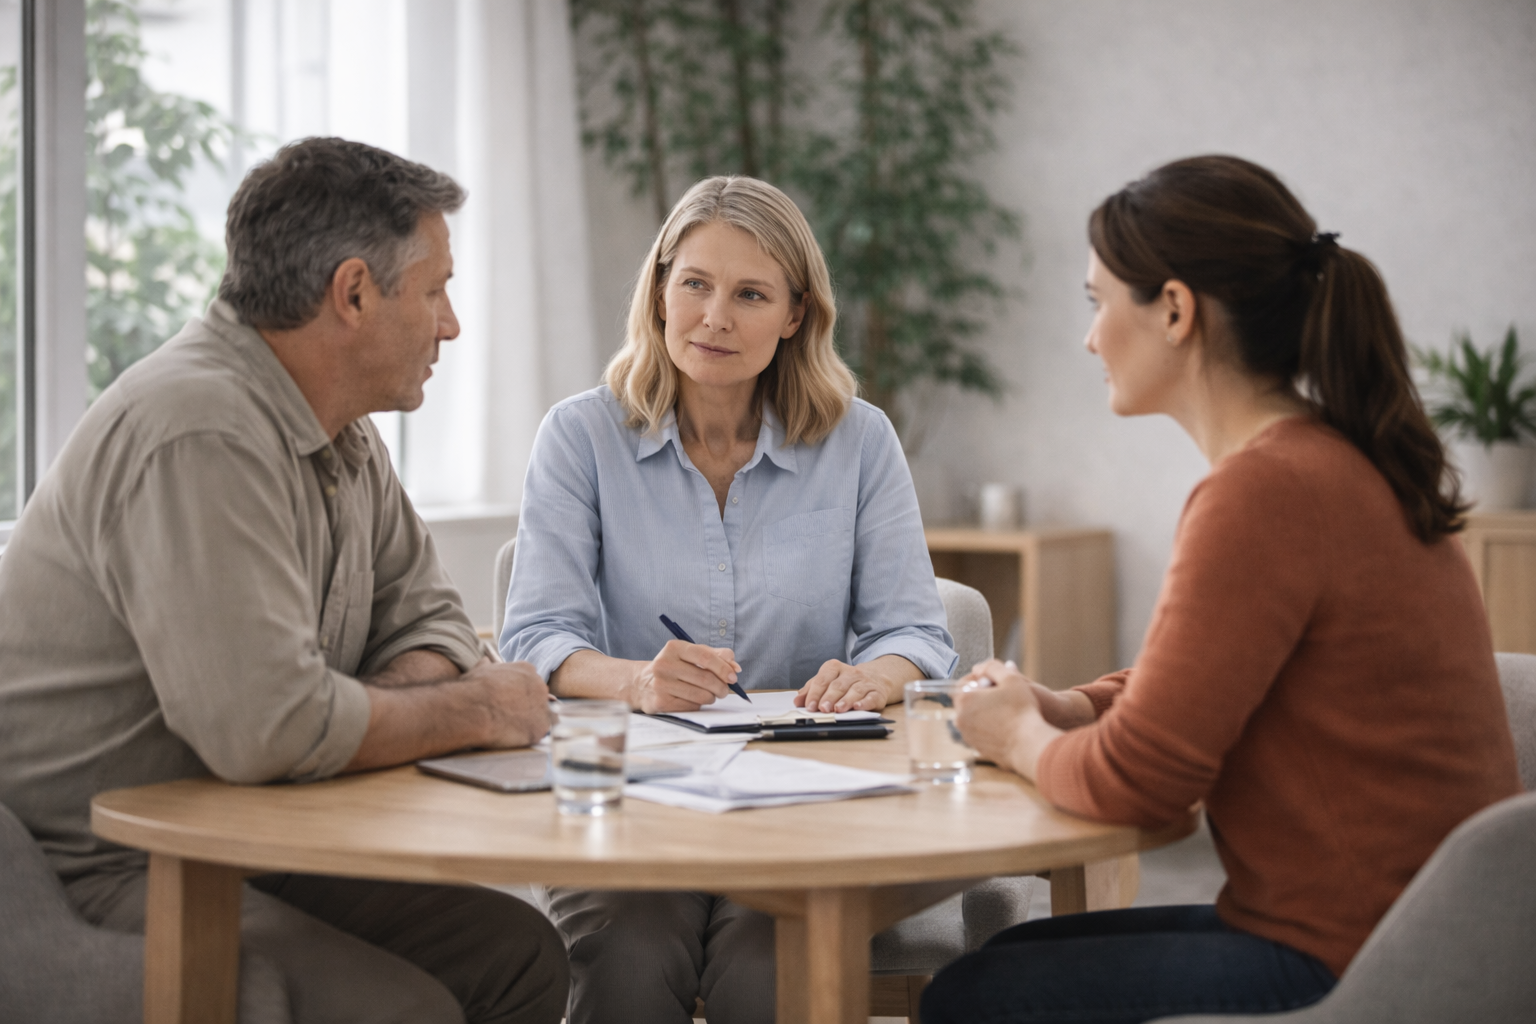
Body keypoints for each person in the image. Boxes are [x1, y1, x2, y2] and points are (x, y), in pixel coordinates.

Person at [917, 154, 1525, 1024]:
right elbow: (1222, 670)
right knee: (1007, 958)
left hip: (1362, 964)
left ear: (1173, 309)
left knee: (974, 997)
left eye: (1098, 304)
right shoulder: (1327, 460)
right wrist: (1073, 708)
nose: (1090, 338)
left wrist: (1015, 733)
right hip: (1416, 933)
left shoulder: (1264, 491)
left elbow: (1140, 785)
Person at [0, 138, 568, 1024]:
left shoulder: (336, 425)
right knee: (404, 1008)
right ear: (353, 293)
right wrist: (478, 711)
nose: (450, 324)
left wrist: (357, 706)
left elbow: (434, 618)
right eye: (434, 290)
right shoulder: (200, 430)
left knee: (518, 953)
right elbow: (268, 731)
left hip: (254, 833)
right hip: (109, 861)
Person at [500, 175, 957, 1024]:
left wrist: (876, 674)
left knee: (771, 958)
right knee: (626, 952)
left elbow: (914, 632)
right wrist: (637, 680)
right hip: (633, 801)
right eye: (695, 285)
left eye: (750, 294)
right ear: (660, 289)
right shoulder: (579, 435)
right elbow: (535, 635)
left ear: (793, 315)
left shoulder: (860, 439)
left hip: (800, 799)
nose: (715, 316)